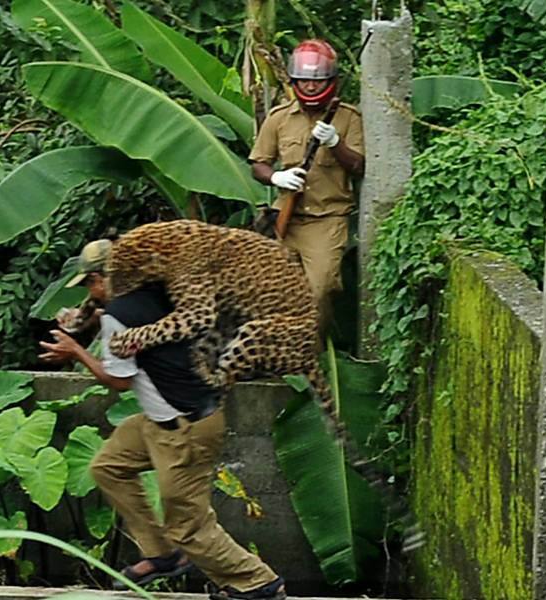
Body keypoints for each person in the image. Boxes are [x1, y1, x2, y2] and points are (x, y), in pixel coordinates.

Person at [39, 240, 287, 600]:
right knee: (109, 466)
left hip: (183, 431)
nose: (90, 293)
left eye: (90, 284)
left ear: (101, 278)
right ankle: (161, 555)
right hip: (165, 420)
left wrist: (75, 351)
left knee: (188, 526)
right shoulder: (165, 291)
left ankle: (258, 583)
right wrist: (88, 320)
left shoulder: (119, 316)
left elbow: (120, 380)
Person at [248, 39, 364, 333]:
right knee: (268, 290)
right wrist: (276, 177)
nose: (310, 87)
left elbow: (359, 166)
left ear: (330, 81)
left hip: (327, 220)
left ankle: (309, 355)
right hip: (285, 216)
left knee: (320, 288)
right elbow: (258, 163)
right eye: (304, 81)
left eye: (317, 81)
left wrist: (335, 143)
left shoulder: (349, 118)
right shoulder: (279, 118)